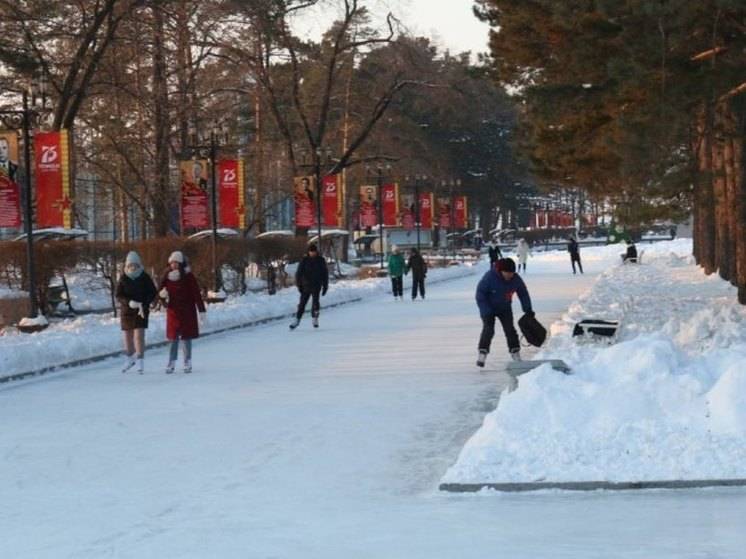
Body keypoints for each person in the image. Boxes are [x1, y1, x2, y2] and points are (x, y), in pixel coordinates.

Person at [475, 257, 533, 367]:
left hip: (504, 307)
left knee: (510, 329)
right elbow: (480, 295)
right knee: (488, 329)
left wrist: (528, 309)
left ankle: (515, 353)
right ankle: (482, 353)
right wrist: (486, 311)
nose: (510, 275)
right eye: (507, 273)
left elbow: (523, 294)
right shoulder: (489, 278)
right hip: (488, 307)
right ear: (501, 271)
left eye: (512, 273)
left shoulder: (515, 279)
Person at [159, 251, 206, 373]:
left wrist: (201, 310)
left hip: (187, 310)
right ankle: (171, 361)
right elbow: (160, 292)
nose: (174, 265)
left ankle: (187, 360)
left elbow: (196, 293)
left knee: (186, 337)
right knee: (173, 338)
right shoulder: (166, 276)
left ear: (181, 263)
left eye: (176, 263)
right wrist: (163, 296)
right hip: (173, 311)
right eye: (172, 263)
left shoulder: (188, 276)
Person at [115, 251, 157, 373]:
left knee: (139, 336)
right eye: (130, 265)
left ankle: (140, 360)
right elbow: (118, 295)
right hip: (127, 311)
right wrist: (128, 302)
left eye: (135, 265)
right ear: (126, 266)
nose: (133, 267)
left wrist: (144, 303)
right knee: (127, 337)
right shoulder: (123, 278)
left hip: (141, 311)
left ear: (139, 265)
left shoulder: (144, 277)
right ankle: (129, 358)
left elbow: (152, 292)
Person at [290, 243, 329, 329]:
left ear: (316, 252)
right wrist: (299, 284)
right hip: (306, 286)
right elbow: (299, 273)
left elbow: (325, 273)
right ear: (308, 252)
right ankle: (297, 320)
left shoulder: (320, 260)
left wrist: (325, 285)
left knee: (315, 303)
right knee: (302, 304)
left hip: (316, 285)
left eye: (314, 252)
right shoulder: (304, 260)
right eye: (311, 252)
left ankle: (315, 318)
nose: (312, 253)